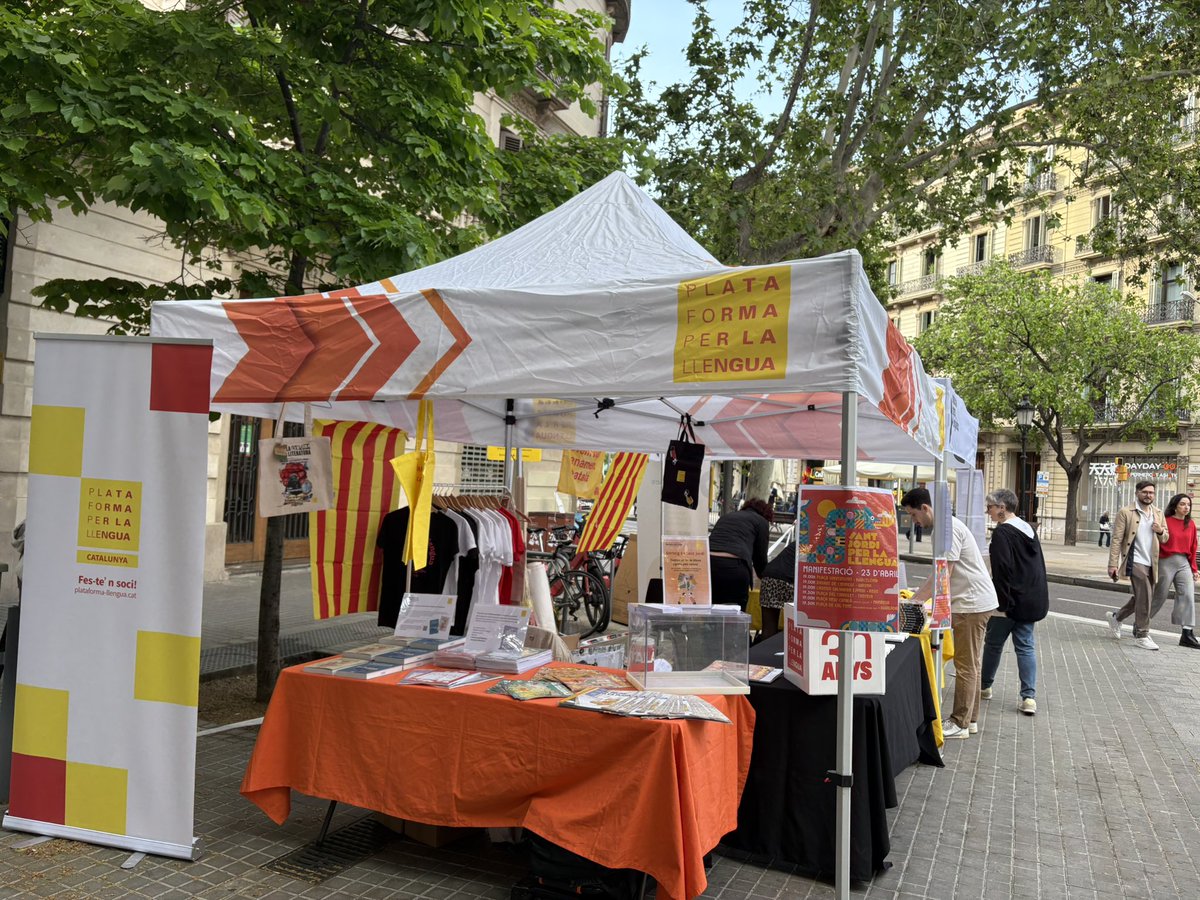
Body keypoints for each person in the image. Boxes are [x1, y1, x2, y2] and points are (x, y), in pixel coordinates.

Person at [902, 487, 998, 740]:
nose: (914, 521)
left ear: (925, 508)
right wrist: (919, 596)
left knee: (965, 665)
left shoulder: (947, 530)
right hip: (973, 602)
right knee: (972, 663)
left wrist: (916, 600)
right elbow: (942, 575)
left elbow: (944, 574)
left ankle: (959, 722)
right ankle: (970, 720)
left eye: (913, 515)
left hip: (971, 604)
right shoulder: (947, 527)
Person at [980, 489, 1049, 716]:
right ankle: (1029, 697)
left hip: (1007, 601)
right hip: (1029, 601)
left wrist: (1001, 603)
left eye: (990, 507)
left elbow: (1001, 569)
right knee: (1025, 646)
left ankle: (985, 687)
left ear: (1002, 507)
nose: (988, 511)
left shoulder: (1002, 533)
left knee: (993, 644)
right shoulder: (1028, 529)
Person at [1106, 481, 1167, 650]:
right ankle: (1142, 635)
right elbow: (1117, 539)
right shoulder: (1126, 512)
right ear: (1137, 493)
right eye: (1145, 492)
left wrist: (1160, 531)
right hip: (1135, 561)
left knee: (1143, 597)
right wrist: (1112, 564)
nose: (1148, 495)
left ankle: (1116, 617)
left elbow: (1165, 538)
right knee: (1145, 597)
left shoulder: (1158, 513)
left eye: (1151, 493)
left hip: (1152, 562)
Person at [1149, 493, 1199, 648]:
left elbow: (1193, 547)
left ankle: (1187, 634)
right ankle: (1141, 624)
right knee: (1159, 595)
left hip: (1183, 562)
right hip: (1165, 561)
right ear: (1175, 506)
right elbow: (1157, 542)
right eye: (1182, 504)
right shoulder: (1165, 521)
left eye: (1188, 505)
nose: (1186, 507)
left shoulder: (1190, 524)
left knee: (1188, 595)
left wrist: (1194, 569)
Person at [708, 498, 773, 610]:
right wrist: (766, 578)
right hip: (735, 567)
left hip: (708, 564)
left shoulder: (727, 516)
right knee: (735, 613)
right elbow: (760, 559)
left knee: (711, 610)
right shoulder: (761, 522)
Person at [757, 540, 795, 641]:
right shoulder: (822, 545)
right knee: (797, 629)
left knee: (768, 629)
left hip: (769, 577)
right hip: (790, 580)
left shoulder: (804, 539)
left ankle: (765, 648)